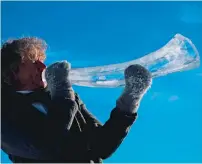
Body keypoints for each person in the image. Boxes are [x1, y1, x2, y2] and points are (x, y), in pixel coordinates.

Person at [1, 37, 152, 163]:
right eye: (34, 61)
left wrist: (130, 100)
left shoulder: (64, 97)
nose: (42, 66)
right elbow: (46, 146)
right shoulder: (5, 113)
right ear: (12, 71)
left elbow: (101, 146)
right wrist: (62, 93)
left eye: (42, 61)